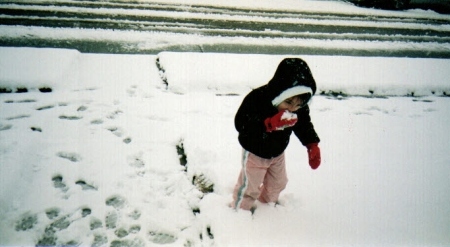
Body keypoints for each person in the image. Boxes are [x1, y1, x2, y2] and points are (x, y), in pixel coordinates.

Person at [231, 58, 321, 212]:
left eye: (298, 105)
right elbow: (241, 124)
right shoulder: (258, 99)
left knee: (278, 183)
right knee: (250, 186)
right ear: (279, 93)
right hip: (255, 152)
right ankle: (240, 212)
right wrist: (268, 123)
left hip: (278, 153)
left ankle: (266, 207)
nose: (293, 109)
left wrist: (311, 144)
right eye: (288, 102)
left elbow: (303, 124)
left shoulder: (297, 109)